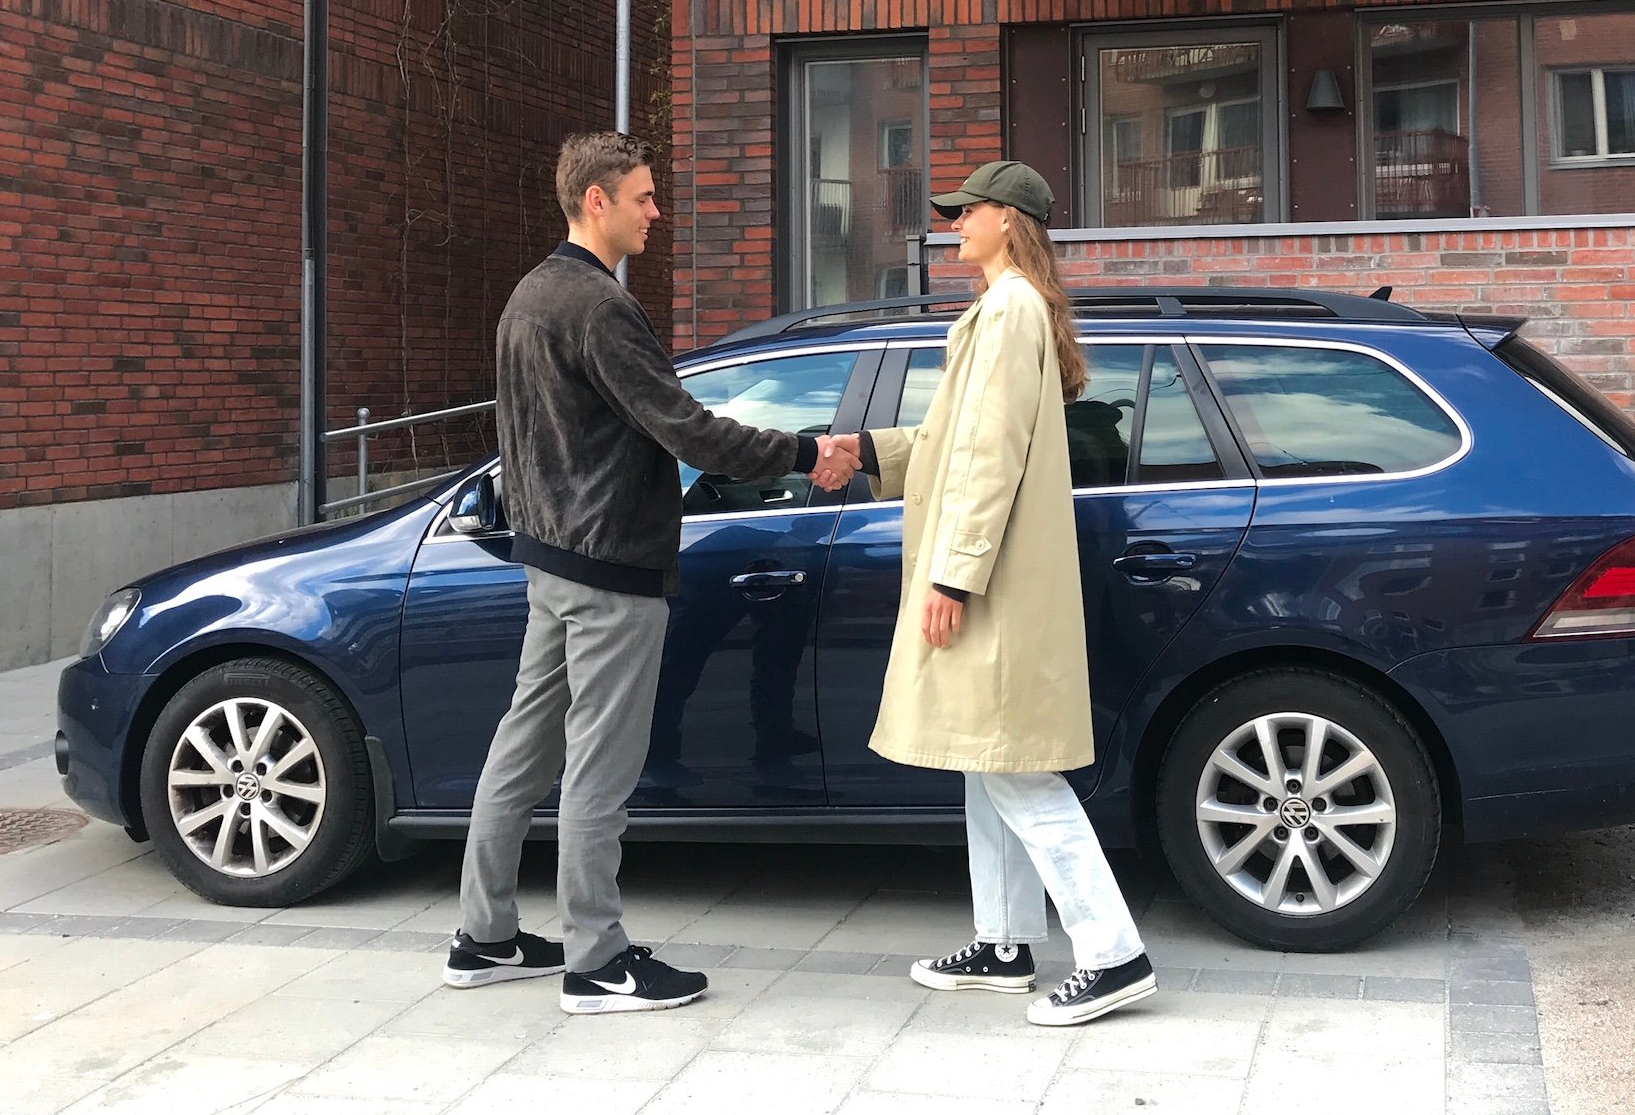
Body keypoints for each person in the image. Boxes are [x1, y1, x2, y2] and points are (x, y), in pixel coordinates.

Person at [444, 131, 859, 1014]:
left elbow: (523, 439)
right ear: (595, 200)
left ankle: (483, 936)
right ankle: (596, 960)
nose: (656, 212)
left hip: (552, 561)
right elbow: (686, 427)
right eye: (643, 196)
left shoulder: (528, 296)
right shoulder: (599, 306)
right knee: (599, 769)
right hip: (609, 570)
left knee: (522, 748)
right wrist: (803, 451)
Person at [833, 160, 1155, 1027]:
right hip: (996, 576)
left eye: (968, 211)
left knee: (1015, 767)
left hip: (994, 581)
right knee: (988, 757)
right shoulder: (1005, 307)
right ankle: (1005, 942)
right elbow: (956, 437)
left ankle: (1114, 953)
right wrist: (868, 451)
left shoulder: (1010, 309)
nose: (955, 224)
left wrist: (954, 573)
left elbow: (990, 453)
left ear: (1009, 220)